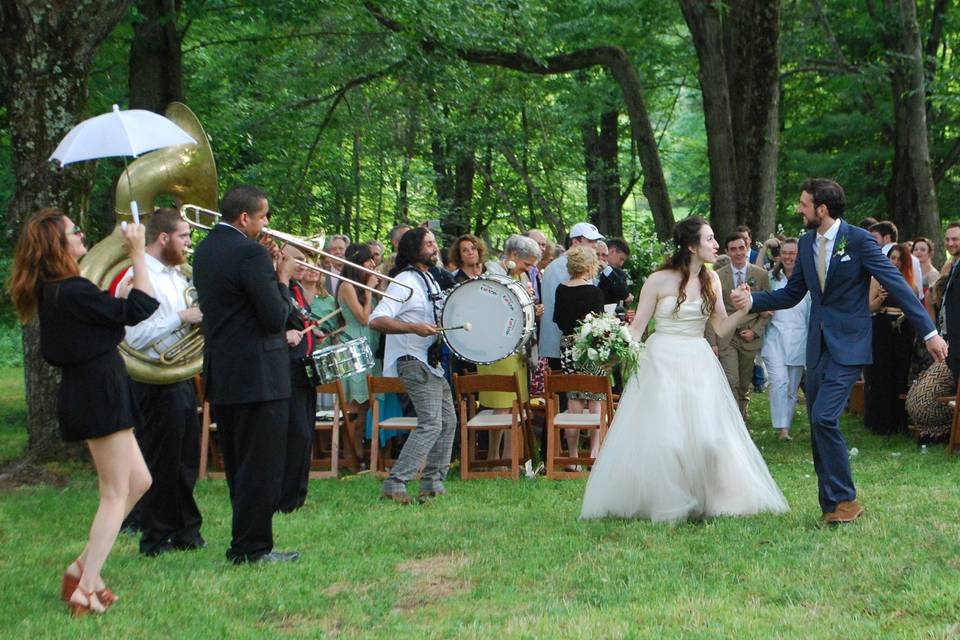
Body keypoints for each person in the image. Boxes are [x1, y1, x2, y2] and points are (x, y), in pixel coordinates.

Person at [734, 178, 947, 525]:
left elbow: (896, 284)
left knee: (823, 416)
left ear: (822, 209)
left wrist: (930, 332)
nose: (799, 210)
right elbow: (792, 293)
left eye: (804, 204)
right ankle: (831, 504)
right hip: (817, 347)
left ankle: (846, 499)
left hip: (849, 346)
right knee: (819, 425)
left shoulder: (859, 240)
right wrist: (753, 300)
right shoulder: (804, 243)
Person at [580, 216, 788, 522]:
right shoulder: (658, 280)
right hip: (661, 359)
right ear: (692, 246)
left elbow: (720, 327)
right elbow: (638, 328)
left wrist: (745, 309)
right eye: (710, 239)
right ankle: (667, 501)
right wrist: (613, 349)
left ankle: (708, 497)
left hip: (698, 360)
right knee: (667, 437)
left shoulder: (712, 279)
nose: (716, 245)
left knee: (707, 438)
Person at [9, 209, 159, 615]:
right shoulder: (71, 289)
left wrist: (123, 294)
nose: (81, 235)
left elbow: (118, 312)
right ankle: (86, 586)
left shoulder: (60, 289)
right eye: (74, 231)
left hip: (96, 387)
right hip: (97, 391)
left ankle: (80, 567)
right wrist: (138, 253)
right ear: (59, 245)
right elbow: (142, 307)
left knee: (140, 481)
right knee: (114, 495)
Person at [192, 185, 300, 563]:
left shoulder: (205, 249)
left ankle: (245, 542)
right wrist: (282, 277)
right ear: (244, 218)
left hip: (224, 372)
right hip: (259, 376)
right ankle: (252, 548)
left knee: (239, 464)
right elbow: (273, 317)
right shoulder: (250, 252)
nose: (267, 223)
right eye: (263, 216)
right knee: (262, 466)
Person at [114, 208, 204, 556]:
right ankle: (155, 537)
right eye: (184, 236)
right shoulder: (137, 277)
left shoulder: (178, 276)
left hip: (178, 375)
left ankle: (186, 531)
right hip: (151, 380)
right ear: (163, 237)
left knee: (184, 460)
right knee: (160, 462)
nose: (188, 242)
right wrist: (182, 317)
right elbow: (135, 337)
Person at [369, 227, 457, 503]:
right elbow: (377, 319)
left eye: (435, 243)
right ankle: (395, 483)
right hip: (412, 360)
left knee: (448, 420)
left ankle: (432, 483)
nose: (435, 248)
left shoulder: (429, 279)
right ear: (413, 249)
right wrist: (413, 328)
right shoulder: (404, 281)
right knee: (431, 423)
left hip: (430, 362)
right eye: (428, 244)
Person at [479, 234, 542, 465]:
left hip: (518, 348)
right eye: (527, 263)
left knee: (515, 405)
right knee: (501, 406)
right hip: (497, 348)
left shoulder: (520, 275)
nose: (529, 269)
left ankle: (510, 457)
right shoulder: (490, 276)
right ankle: (495, 458)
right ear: (513, 256)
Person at [706, 233, 771, 419]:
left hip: (749, 336)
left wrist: (756, 331)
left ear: (747, 248)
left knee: (743, 384)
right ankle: (732, 422)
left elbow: (768, 308)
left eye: (741, 248)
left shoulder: (761, 275)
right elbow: (710, 312)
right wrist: (712, 342)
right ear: (727, 251)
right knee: (730, 380)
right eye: (733, 249)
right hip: (726, 337)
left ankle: (742, 417)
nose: (738, 253)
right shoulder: (717, 276)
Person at [555, 245, 607, 465]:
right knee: (595, 401)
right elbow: (600, 322)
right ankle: (594, 453)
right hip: (590, 348)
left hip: (568, 346)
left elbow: (557, 319)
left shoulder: (560, 288)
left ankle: (573, 456)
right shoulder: (594, 292)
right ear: (589, 266)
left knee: (574, 400)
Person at [276, 244, 317, 513]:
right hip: (286, 369)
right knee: (295, 433)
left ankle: (297, 496)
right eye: (298, 259)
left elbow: (302, 322)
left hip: (305, 369)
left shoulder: (297, 290)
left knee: (305, 435)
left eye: (306, 259)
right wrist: (284, 337)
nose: (304, 265)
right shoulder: (276, 287)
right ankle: (285, 499)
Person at [863, 243, 919, 435]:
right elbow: (869, 307)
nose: (894, 263)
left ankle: (899, 422)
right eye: (892, 258)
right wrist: (879, 299)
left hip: (903, 328)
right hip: (883, 324)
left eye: (898, 259)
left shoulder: (908, 282)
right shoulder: (877, 279)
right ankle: (881, 422)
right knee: (881, 371)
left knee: (900, 372)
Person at [759, 238, 809, 441]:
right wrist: (763, 247)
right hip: (775, 337)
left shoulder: (808, 280)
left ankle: (784, 430)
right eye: (785, 253)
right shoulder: (772, 277)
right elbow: (756, 274)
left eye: (793, 253)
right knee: (779, 380)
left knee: (791, 387)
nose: (789, 257)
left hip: (799, 337)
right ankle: (779, 423)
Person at [336, 243, 383, 448]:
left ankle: (362, 454)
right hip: (354, 346)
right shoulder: (347, 285)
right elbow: (363, 318)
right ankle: (350, 453)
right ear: (358, 263)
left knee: (367, 405)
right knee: (355, 405)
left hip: (370, 345)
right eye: (368, 260)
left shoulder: (364, 286)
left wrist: (377, 288)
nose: (373, 264)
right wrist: (370, 289)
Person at [539, 222, 603, 371]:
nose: (595, 245)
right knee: (573, 390)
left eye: (596, 241)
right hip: (564, 344)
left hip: (570, 344)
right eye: (591, 241)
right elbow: (569, 311)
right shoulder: (561, 267)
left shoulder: (560, 266)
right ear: (575, 242)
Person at [940, 221, 960, 383]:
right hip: (949, 343)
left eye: (955, 239)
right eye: (947, 239)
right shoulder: (953, 266)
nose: (950, 243)